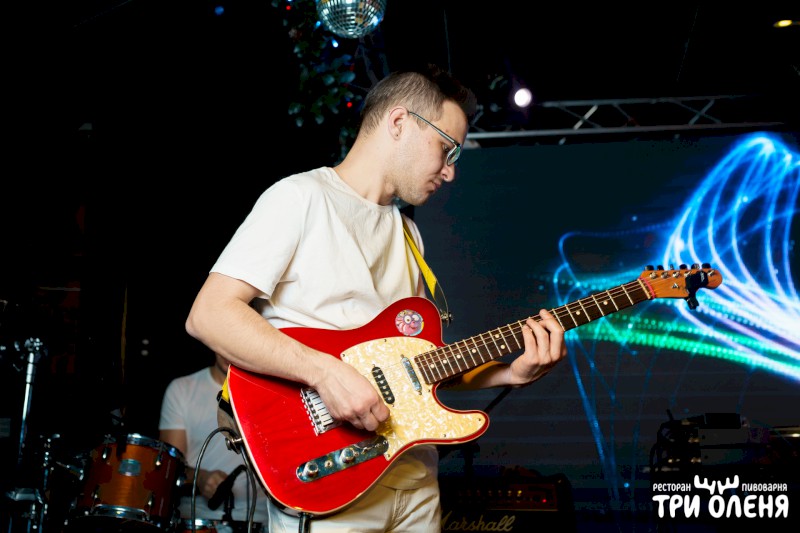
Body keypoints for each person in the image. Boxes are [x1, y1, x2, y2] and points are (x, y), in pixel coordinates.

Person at [184, 64, 568, 532]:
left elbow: (418, 367)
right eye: (447, 149)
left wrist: (509, 373)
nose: (450, 172)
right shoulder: (300, 198)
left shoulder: (409, 234)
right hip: (331, 479)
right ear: (400, 121)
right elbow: (209, 315)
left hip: (415, 482)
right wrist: (326, 373)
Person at [159, 352, 270, 532]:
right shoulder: (183, 389)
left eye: (237, 345)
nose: (230, 352)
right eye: (225, 343)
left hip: (261, 520)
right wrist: (200, 478)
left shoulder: (270, 392)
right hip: (198, 519)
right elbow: (168, 469)